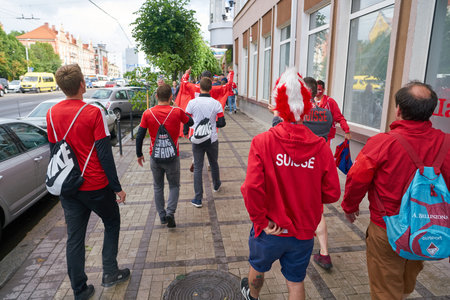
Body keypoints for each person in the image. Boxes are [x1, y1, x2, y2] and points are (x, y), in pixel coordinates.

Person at [341, 82, 450, 300]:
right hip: (426, 226)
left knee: (385, 290)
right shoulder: (447, 143)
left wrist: (350, 207)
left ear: (398, 109)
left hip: (387, 228)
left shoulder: (382, 143)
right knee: (406, 279)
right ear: (431, 111)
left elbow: (356, 178)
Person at [241, 68, 341, 300]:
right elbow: (333, 193)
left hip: (270, 229)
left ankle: (251, 297)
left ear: (277, 104)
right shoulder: (320, 146)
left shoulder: (263, 141)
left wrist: (260, 221)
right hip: (304, 231)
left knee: (257, 267)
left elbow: (251, 188)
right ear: (307, 107)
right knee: (296, 281)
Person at [46, 64, 129, 300]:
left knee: (74, 237)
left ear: (62, 87)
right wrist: (117, 187)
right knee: (112, 222)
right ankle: (110, 274)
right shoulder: (93, 113)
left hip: (70, 187)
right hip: (95, 185)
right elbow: (104, 154)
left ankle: (79, 290)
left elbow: (55, 151)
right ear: (82, 84)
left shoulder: (51, 114)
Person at [270, 77, 335, 270]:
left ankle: (292, 235)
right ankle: (324, 253)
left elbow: (279, 132)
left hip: (293, 166)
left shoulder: (298, 116)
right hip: (316, 167)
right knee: (317, 211)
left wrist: (277, 115)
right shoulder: (326, 115)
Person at [136, 83, 193, 228]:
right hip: (173, 156)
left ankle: (162, 216)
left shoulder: (147, 113)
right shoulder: (177, 111)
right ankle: (170, 212)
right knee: (174, 185)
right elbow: (190, 122)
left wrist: (139, 154)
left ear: (156, 96)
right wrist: (175, 106)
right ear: (171, 97)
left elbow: (140, 135)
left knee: (158, 187)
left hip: (155, 156)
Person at [185, 77, 226, 208]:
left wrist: (187, 131)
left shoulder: (192, 103)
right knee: (214, 163)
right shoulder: (216, 104)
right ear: (210, 88)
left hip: (197, 139)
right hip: (212, 138)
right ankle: (216, 184)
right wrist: (215, 123)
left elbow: (186, 120)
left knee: (197, 167)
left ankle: (198, 199)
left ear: (200, 87)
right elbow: (222, 122)